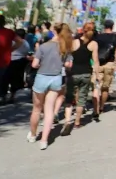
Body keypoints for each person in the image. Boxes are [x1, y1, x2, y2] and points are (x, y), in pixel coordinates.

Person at [28, 22, 72, 150]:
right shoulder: (65, 48)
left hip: (42, 77)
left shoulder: (43, 46)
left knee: (36, 109)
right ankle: (44, 140)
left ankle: (33, 134)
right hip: (56, 79)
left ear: (54, 31)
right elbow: (69, 65)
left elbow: (34, 65)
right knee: (49, 110)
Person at [63, 23, 99, 131]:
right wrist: (97, 75)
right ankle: (77, 122)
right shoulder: (93, 44)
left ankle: (68, 120)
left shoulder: (74, 42)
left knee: (69, 98)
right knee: (82, 99)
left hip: (73, 73)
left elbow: (68, 57)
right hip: (86, 73)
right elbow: (96, 61)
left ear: (82, 30)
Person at [92, 19, 116, 121]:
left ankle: (95, 109)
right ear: (112, 26)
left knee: (96, 87)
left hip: (98, 64)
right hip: (109, 64)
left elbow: (93, 50)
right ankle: (101, 107)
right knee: (105, 88)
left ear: (104, 26)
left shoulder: (98, 37)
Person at [3, 28, 30, 104]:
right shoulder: (26, 43)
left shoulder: (13, 42)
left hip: (11, 61)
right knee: (15, 80)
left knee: (6, 79)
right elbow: (26, 52)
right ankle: (12, 95)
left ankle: (4, 96)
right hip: (21, 62)